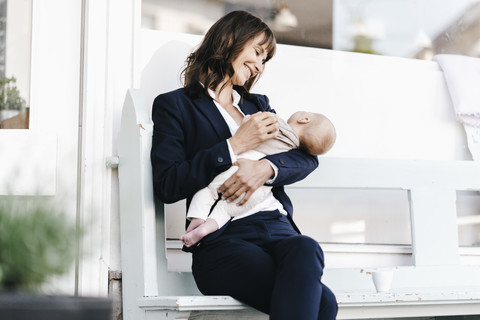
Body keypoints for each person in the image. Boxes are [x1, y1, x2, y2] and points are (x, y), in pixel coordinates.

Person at [151, 10, 338, 320]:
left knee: (306, 247)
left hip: (278, 231)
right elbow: (168, 184)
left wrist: (266, 169)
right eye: (258, 52)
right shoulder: (176, 106)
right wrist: (233, 145)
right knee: (324, 304)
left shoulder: (257, 105)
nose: (259, 66)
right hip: (224, 239)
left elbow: (305, 157)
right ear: (228, 41)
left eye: (265, 60)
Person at [181, 111, 336, 248]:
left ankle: (197, 219)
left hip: (235, 168)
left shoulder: (275, 122)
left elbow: (248, 124)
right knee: (225, 211)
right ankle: (205, 229)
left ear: (305, 119)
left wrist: (266, 167)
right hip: (256, 192)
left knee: (207, 191)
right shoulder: (295, 149)